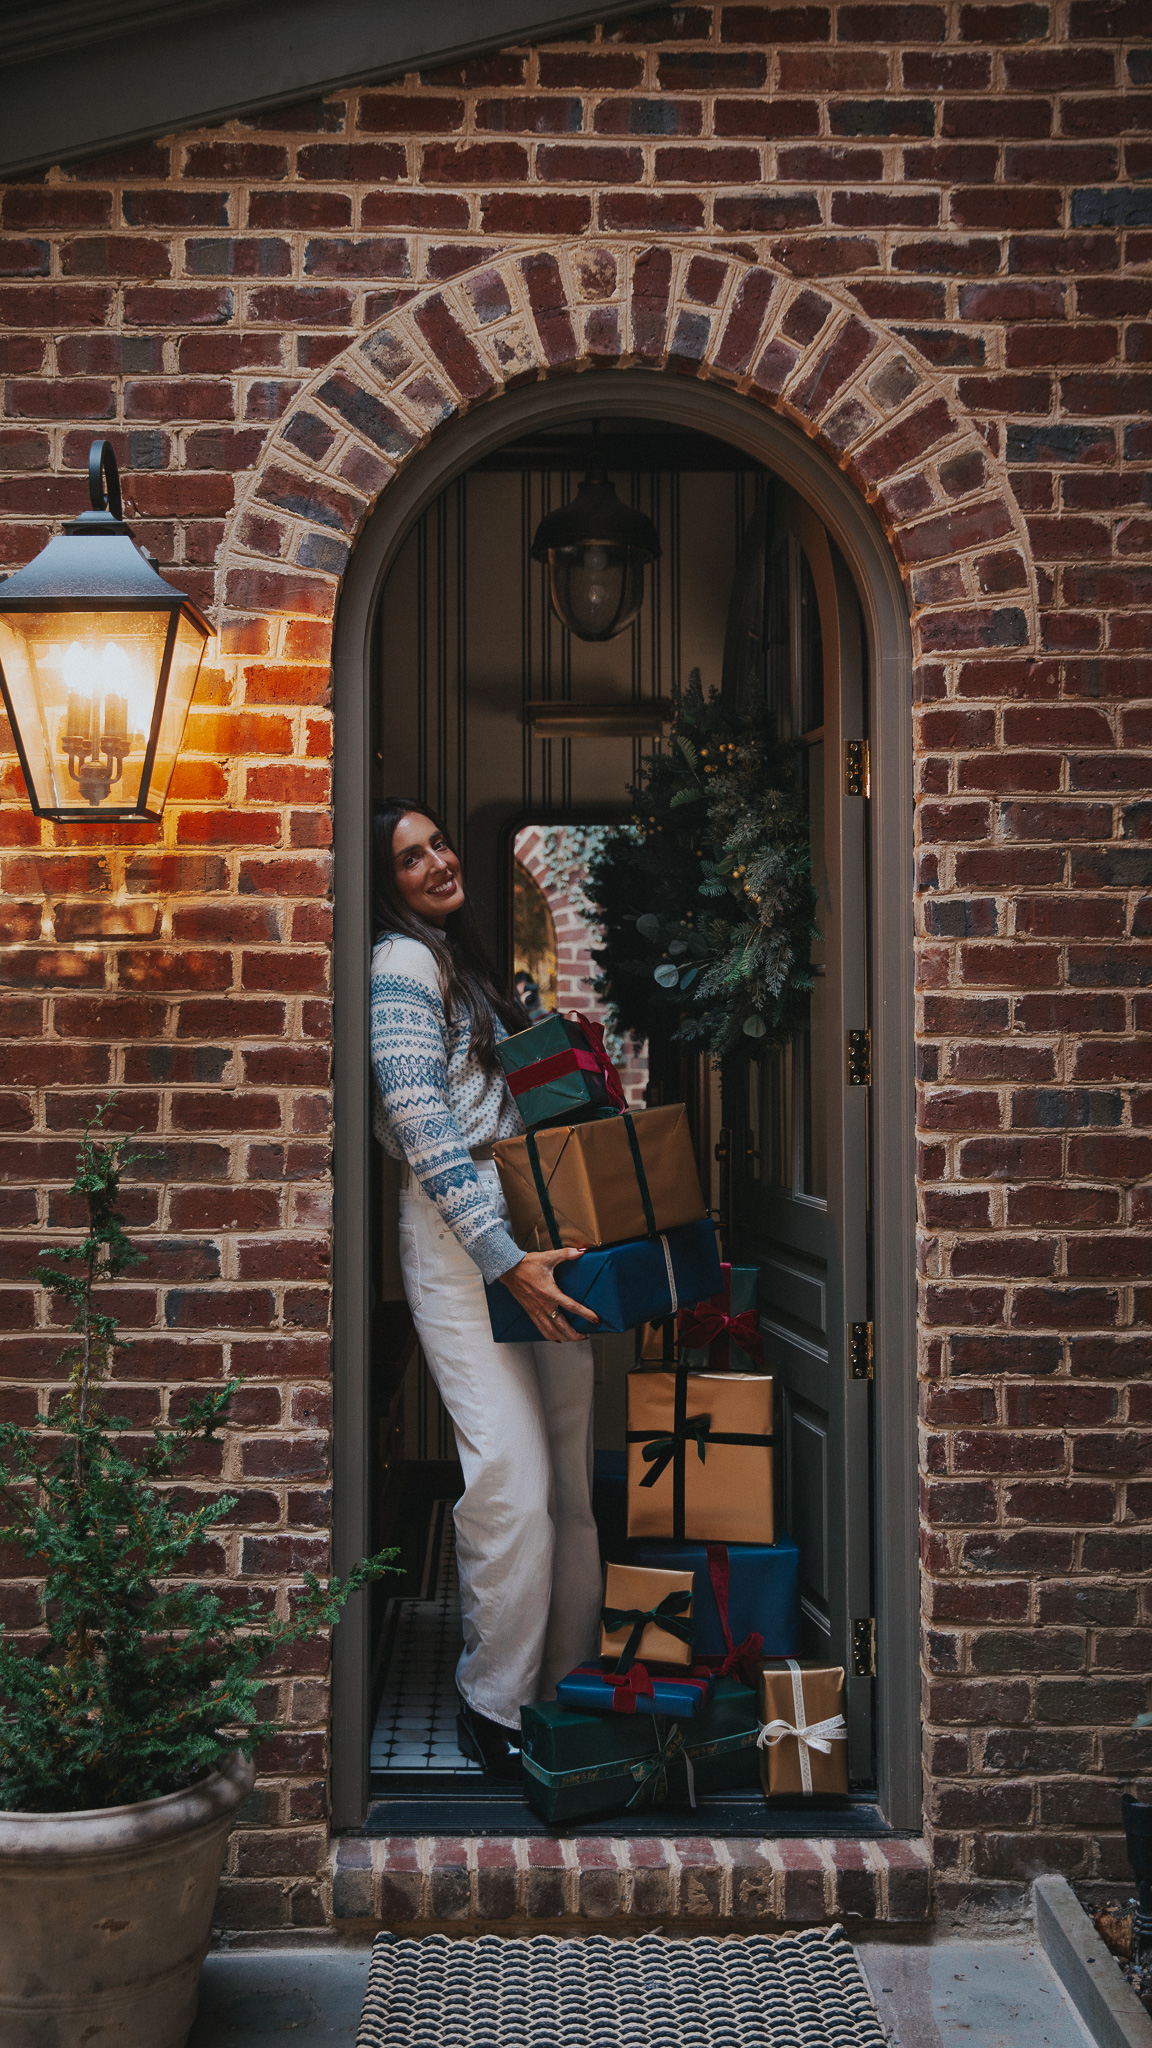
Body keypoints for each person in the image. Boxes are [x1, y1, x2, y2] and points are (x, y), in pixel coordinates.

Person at [369, 797, 604, 1779]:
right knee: (511, 1473)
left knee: (567, 1474)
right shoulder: (400, 964)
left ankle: (567, 1689)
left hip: (526, 1216)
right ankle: (495, 1703)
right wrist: (505, 1254)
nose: (436, 861)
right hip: (466, 1236)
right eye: (410, 856)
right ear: (385, 884)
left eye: (438, 843)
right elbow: (423, 1126)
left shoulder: (459, 958)